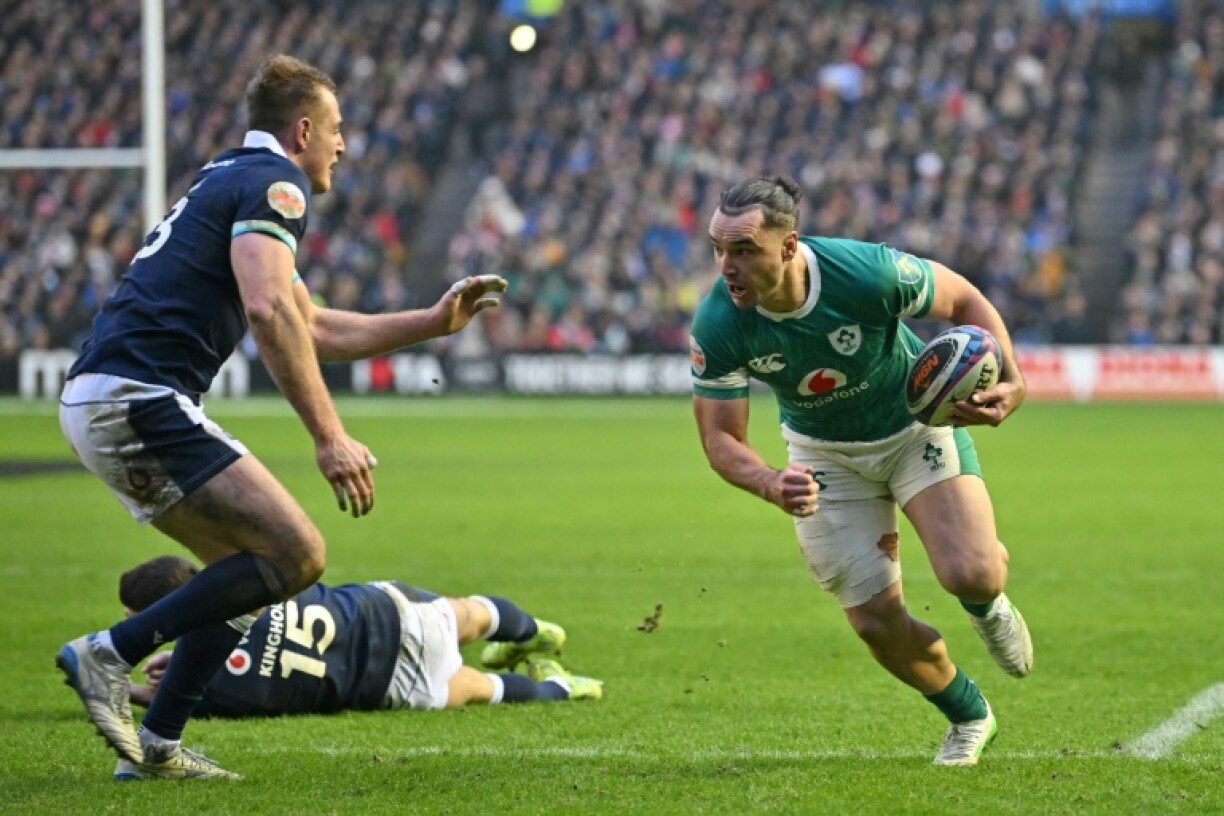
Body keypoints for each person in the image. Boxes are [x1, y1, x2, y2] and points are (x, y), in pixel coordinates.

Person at [55, 54, 508, 781]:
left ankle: (158, 747)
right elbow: (267, 309)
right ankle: (109, 651)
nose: (343, 144)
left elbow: (312, 325)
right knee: (298, 555)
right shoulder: (277, 183)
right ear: (302, 131)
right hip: (138, 396)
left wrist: (430, 322)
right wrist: (329, 437)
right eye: (335, 129)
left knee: (248, 569)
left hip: (108, 397)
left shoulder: (232, 175)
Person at [689, 176, 1032, 766]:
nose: (727, 265)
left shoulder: (863, 272)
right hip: (823, 456)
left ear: (790, 246)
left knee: (972, 573)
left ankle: (987, 608)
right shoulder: (719, 323)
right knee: (876, 624)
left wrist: (1013, 380)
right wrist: (770, 480)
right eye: (718, 248)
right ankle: (969, 715)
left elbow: (965, 301)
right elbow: (720, 440)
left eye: (743, 250)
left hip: (911, 427)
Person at [111, 556, 601, 780]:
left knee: (479, 688)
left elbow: (176, 695)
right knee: (472, 613)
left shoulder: (206, 682)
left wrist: (129, 687)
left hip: (389, 681)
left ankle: (561, 687)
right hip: (385, 613)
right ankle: (533, 631)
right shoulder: (241, 578)